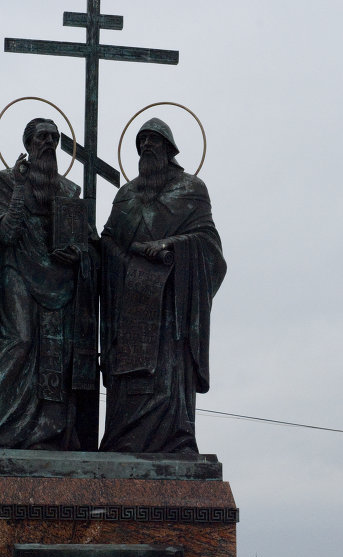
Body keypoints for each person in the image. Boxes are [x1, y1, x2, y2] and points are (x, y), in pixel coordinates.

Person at [99, 117, 227, 453]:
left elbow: (209, 244)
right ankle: (123, 442)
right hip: (131, 301)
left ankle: (175, 440)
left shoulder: (192, 189)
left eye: (153, 142)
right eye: (141, 143)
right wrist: (125, 262)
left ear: (168, 149)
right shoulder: (125, 195)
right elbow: (108, 240)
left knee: (168, 376)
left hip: (172, 299)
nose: (146, 148)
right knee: (130, 381)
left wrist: (171, 245)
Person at [0, 118, 97, 449]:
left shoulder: (69, 191)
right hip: (16, 271)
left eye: (54, 138)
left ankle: (46, 435)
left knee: (54, 354)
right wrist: (19, 188)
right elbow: (6, 233)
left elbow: (87, 240)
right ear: (28, 143)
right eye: (42, 137)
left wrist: (80, 255)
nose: (49, 143)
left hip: (58, 280)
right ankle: (6, 428)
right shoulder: (5, 183)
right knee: (20, 341)